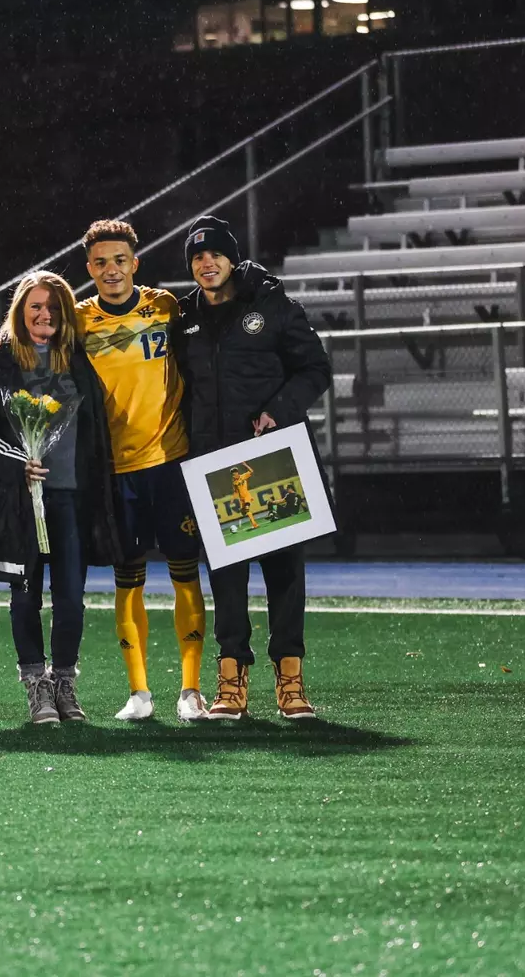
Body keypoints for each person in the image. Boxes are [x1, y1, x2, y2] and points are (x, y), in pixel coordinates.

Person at [174, 215, 332, 720]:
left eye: (215, 254)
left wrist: (278, 411)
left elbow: (316, 368)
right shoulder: (184, 317)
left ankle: (290, 681)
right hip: (213, 463)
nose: (207, 263)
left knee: (284, 574)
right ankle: (231, 682)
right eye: (197, 257)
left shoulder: (273, 303)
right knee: (226, 579)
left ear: (232, 258)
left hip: (272, 457)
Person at [0, 271, 124, 724]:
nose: (45, 315)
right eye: (35, 306)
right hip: (21, 499)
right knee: (25, 597)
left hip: (71, 496)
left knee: (71, 597)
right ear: (20, 311)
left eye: (54, 307)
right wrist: (15, 465)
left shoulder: (79, 358)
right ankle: (36, 684)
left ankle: (65, 682)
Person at [77, 219, 210, 722]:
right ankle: (139, 693)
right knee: (126, 580)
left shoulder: (166, 306)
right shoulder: (78, 319)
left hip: (172, 463)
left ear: (135, 262)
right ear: (89, 268)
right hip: (115, 471)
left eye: (119, 260)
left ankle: (191, 690)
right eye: (100, 262)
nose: (110, 270)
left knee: (185, 575)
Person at [231, 463, 258, 530]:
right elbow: (236, 492)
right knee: (244, 512)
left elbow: (251, 471)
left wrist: (245, 465)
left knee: (247, 509)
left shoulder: (243, 476)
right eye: (232, 475)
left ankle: (254, 525)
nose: (233, 476)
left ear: (237, 473)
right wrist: (232, 499)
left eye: (234, 474)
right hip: (242, 499)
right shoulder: (234, 482)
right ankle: (254, 524)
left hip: (247, 496)